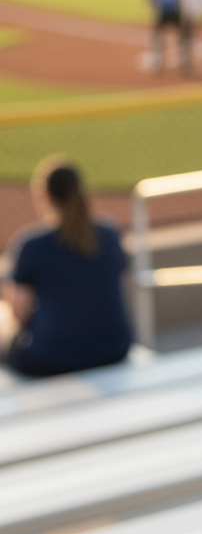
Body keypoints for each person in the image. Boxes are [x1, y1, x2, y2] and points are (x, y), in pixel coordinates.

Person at [1, 159, 133, 377]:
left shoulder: (32, 245)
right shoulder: (109, 234)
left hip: (52, 360)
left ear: (43, 196)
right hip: (115, 350)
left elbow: (18, 312)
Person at [143, 0, 190, 74]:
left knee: (158, 36)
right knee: (182, 36)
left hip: (161, 11)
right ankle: (184, 62)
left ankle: (156, 64)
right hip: (175, 10)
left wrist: (155, 9)